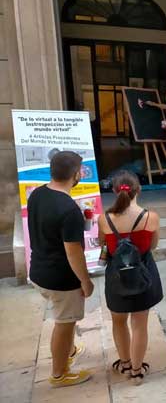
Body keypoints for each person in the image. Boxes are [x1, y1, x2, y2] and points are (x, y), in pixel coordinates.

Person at [28, 151, 93, 387]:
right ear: (75, 175)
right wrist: (85, 280)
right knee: (65, 324)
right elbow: (73, 252)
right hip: (61, 279)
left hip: (38, 269)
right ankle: (59, 374)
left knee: (66, 318)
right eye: (81, 170)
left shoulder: (37, 194)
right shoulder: (68, 209)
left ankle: (70, 350)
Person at [97, 171, 163, 385]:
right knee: (140, 324)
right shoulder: (151, 217)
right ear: (139, 189)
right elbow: (152, 245)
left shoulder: (104, 219)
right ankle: (137, 371)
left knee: (118, 322)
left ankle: (124, 363)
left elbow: (103, 244)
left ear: (114, 191)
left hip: (116, 276)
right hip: (143, 273)